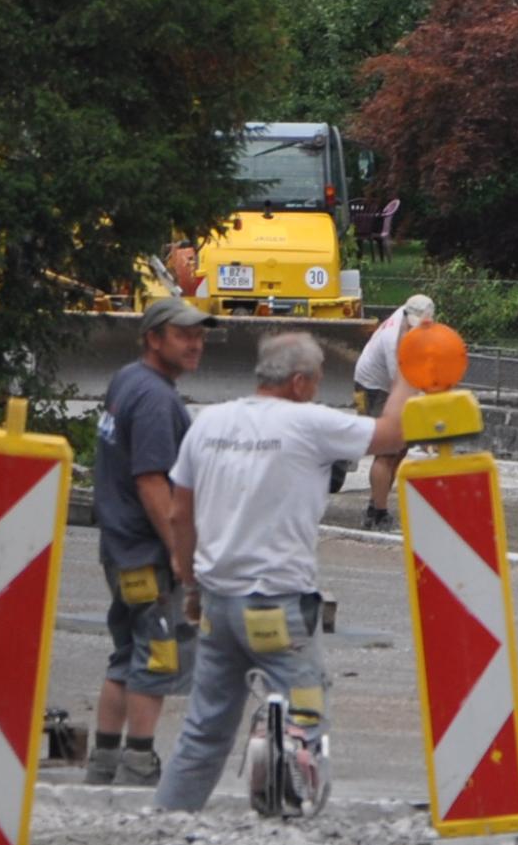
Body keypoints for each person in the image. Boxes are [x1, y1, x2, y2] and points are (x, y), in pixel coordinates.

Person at [157, 329, 408, 817]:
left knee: (204, 728)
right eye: (316, 380)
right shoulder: (309, 423)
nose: (316, 389)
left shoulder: (209, 423)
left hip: (218, 606)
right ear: (299, 382)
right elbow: (392, 434)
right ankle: (284, 810)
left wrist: (191, 584)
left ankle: (167, 821)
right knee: (304, 714)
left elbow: (178, 514)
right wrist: (409, 373)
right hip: (278, 606)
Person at [86, 298, 205, 786]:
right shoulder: (157, 399)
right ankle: (139, 762)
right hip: (147, 553)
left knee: (127, 653)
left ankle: (103, 759)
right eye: (183, 335)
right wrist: (179, 551)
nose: (195, 344)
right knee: (157, 654)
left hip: (119, 548)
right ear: (154, 338)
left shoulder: (127, 380)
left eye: (199, 335)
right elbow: (152, 482)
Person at [346, 292, 438, 531]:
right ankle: (379, 513)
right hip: (373, 386)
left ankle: (374, 506)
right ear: (406, 315)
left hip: (391, 383)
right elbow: (401, 384)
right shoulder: (393, 339)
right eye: (413, 325)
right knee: (387, 450)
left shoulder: (420, 324)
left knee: (400, 450)